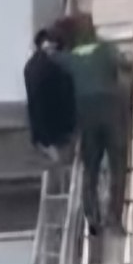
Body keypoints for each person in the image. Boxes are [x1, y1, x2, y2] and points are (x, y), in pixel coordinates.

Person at [53, 13, 133, 235]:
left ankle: (92, 216)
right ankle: (113, 217)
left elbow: (52, 60)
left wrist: (50, 46)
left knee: (90, 167)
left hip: (86, 115)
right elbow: (126, 64)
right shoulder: (105, 50)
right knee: (117, 166)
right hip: (111, 111)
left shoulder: (71, 58)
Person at [24, 27, 76, 163]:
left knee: (51, 168)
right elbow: (65, 95)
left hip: (39, 131)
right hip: (57, 130)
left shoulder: (30, 66)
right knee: (61, 165)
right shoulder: (56, 66)